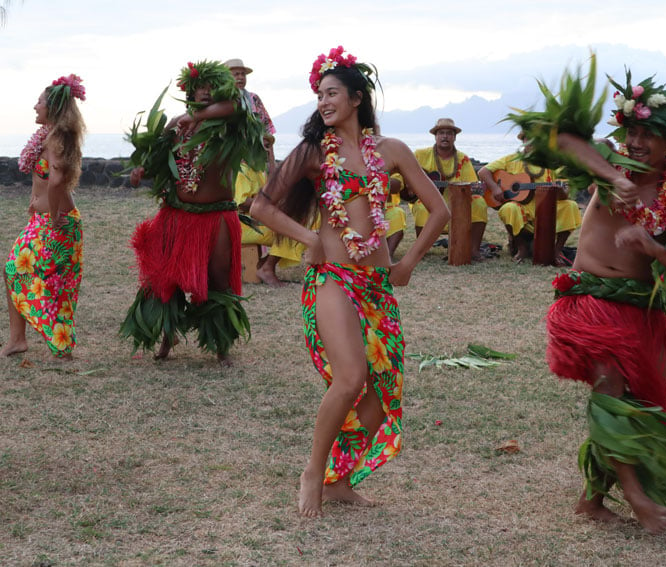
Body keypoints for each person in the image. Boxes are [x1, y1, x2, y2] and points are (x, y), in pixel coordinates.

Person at [250, 46, 449, 518]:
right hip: (333, 279)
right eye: (319, 95)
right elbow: (261, 206)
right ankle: (313, 474)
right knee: (351, 377)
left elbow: (439, 210)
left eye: (332, 92)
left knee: (378, 400)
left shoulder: (392, 152)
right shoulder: (314, 152)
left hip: (377, 283)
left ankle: (340, 481)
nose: (323, 102)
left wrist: (409, 264)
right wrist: (307, 240)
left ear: (357, 97)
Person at [534, 70, 666, 533]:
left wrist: (657, 250)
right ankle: (636, 497)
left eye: (648, 134)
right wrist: (612, 175)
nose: (636, 141)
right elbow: (560, 137)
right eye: (632, 130)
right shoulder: (607, 170)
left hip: (641, 313)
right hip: (586, 301)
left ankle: (592, 500)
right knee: (608, 383)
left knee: (632, 404)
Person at [120, 60, 266, 366]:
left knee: (217, 279)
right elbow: (161, 158)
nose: (204, 93)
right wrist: (143, 168)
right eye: (198, 89)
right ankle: (167, 335)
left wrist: (194, 115)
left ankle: (221, 344)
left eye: (211, 88)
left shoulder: (231, 124)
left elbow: (240, 107)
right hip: (177, 215)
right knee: (165, 277)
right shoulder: (177, 125)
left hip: (217, 217)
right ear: (188, 91)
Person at [3, 74, 86, 358]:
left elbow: (56, 180)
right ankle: (18, 340)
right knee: (16, 271)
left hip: (58, 222)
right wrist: (36, 205)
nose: (35, 106)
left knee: (51, 282)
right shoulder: (47, 137)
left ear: (52, 107)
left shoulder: (57, 140)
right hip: (43, 220)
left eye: (39, 102)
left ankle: (55, 343)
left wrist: (51, 215)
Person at [226, 58, 303, 286]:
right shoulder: (236, 164)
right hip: (241, 224)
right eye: (235, 73)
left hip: (258, 214)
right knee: (288, 221)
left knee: (297, 217)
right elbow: (240, 204)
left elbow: (268, 135)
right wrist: (271, 208)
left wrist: (271, 163)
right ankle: (266, 267)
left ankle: (266, 266)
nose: (240, 77)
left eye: (242, 73)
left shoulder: (254, 99)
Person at [478, 133, 582, 264]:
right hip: (523, 209)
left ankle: (557, 251)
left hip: (546, 209)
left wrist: (559, 189)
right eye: (528, 138)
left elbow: (564, 194)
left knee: (571, 206)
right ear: (523, 141)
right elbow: (483, 172)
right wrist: (495, 188)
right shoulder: (511, 159)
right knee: (509, 208)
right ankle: (522, 248)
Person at [400, 118, 487, 260]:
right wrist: (410, 183)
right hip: (427, 200)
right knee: (422, 207)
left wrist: (476, 188)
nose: (445, 136)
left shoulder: (462, 159)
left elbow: (471, 185)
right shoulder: (420, 155)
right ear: (435, 136)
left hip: (456, 202)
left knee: (479, 202)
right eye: (441, 133)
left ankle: (474, 249)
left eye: (449, 133)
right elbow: (403, 170)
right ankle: (421, 250)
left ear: (454, 137)